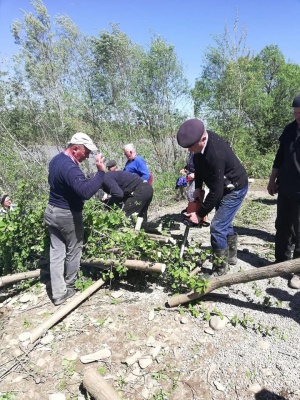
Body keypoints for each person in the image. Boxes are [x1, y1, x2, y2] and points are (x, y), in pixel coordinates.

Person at [177, 118, 248, 276]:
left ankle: (219, 271)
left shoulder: (215, 152)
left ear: (203, 139)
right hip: (221, 185)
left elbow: (216, 193)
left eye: (191, 147)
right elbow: (199, 166)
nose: (189, 150)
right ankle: (231, 257)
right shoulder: (198, 148)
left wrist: (199, 214)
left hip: (235, 188)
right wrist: (198, 188)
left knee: (217, 227)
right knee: (225, 223)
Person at [44, 132, 106, 306]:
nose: (87, 156)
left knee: (56, 252)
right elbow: (85, 192)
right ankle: (69, 286)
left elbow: (60, 183)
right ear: (75, 148)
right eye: (86, 152)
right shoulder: (70, 167)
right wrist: (100, 173)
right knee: (74, 248)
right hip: (67, 214)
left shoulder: (56, 160)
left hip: (51, 210)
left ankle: (58, 293)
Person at [267, 94, 300, 289]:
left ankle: (297, 270)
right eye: (295, 113)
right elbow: (279, 158)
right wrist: (272, 180)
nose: (297, 116)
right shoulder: (289, 130)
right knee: (282, 226)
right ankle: (280, 263)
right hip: (285, 187)